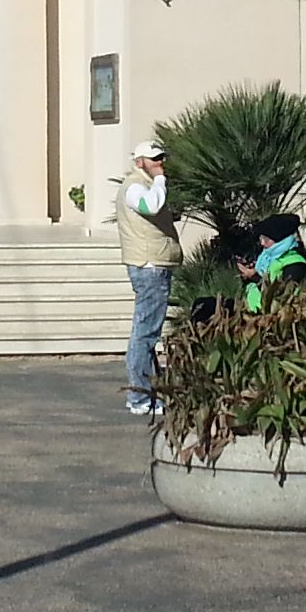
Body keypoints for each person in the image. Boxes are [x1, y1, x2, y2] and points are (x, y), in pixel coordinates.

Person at [115, 136, 182, 417]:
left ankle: (141, 393)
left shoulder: (143, 185)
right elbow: (150, 206)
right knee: (145, 332)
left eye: (161, 158)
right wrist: (160, 181)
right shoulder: (134, 187)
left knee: (145, 331)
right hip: (149, 266)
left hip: (155, 262)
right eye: (154, 159)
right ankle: (140, 398)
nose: (160, 164)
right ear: (139, 161)